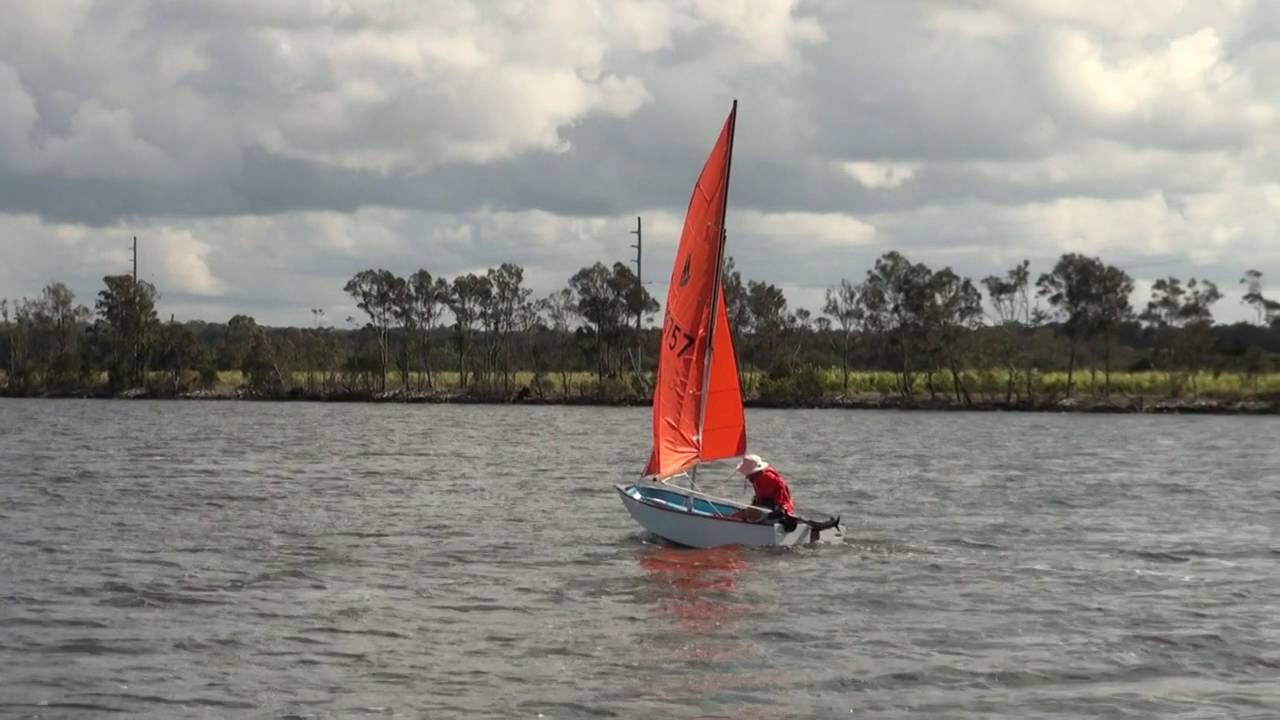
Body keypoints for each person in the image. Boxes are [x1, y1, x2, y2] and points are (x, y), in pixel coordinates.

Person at [732, 453, 795, 520]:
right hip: (771, 507)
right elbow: (760, 499)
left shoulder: (766, 478)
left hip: (780, 511)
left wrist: (748, 513)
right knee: (740, 513)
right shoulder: (757, 477)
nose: (747, 477)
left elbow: (767, 501)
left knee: (738, 516)